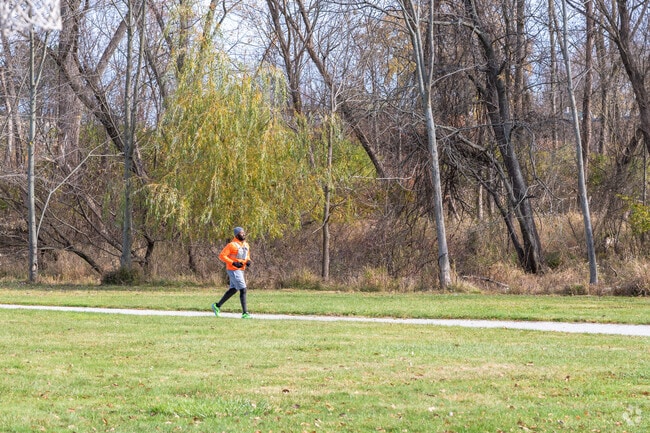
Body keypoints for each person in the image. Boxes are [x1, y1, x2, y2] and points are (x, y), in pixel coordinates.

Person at [212, 227, 252, 319]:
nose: (244, 234)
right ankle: (245, 313)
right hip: (233, 269)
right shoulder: (231, 245)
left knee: (234, 289)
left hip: (241, 269)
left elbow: (247, 255)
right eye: (241, 233)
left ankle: (217, 306)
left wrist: (248, 261)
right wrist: (233, 262)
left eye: (244, 233)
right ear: (237, 235)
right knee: (243, 289)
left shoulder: (246, 245)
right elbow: (222, 256)